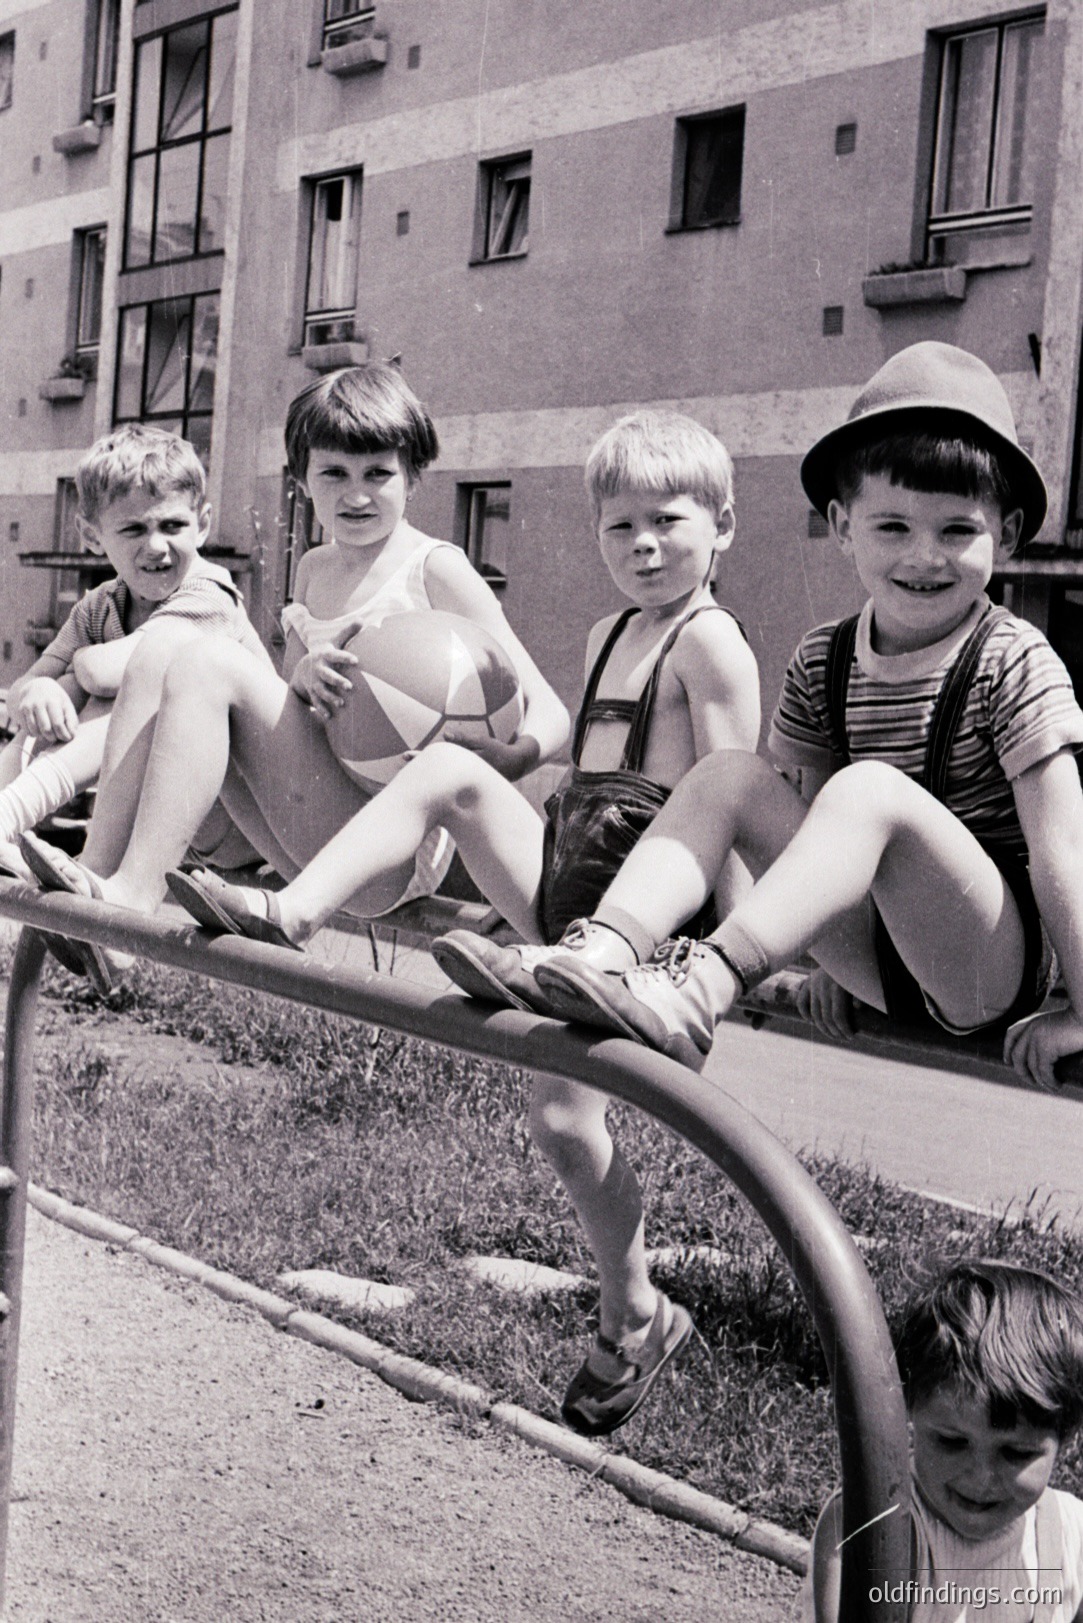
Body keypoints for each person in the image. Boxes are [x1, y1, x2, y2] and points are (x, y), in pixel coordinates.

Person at [164, 409, 761, 1438]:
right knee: (451, 769)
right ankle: (291, 907)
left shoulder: (713, 647)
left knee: (567, 1120)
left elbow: (730, 803)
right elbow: (581, 779)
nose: (645, 548)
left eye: (668, 523)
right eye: (619, 530)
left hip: (658, 919)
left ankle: (636, 1315)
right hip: (583, 887)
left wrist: (728, 961)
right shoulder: (606, 632)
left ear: (725, 527)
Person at [468, 343, 1083, 1094]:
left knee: (867, 792)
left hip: (986, 964)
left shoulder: (1014, 660)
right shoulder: (823, 658)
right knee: (728, 772)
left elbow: (1062, 851)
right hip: (882, 951)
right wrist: (826, 960)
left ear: (1008, 534)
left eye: (957, 530)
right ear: (840, 524)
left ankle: (699, 987)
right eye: (891, 527)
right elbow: (812, 846)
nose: (924, 556)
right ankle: (602, 950)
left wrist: (1079, 1005)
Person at [18, 362, 569, 983]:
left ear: (412, 476)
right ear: (302, 478)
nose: (355, 494)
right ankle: (105, 872)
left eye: (377, 474)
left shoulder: (434, 568)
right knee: (162, 652)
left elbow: (553, 715)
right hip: (308, 828)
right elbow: (291, 718)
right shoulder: (312, 567)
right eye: (333, 473)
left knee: (204, 656)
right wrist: (301, 681)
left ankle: (131, 905)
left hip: (385, 852)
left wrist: (505, 759)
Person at [0, 423, 266, 896]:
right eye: (133, 529)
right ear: (91, 535)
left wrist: (70, 673)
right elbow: (23, 689)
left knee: (108, 691)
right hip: (163, 822)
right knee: (46, 705)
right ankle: (5, 823)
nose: (157, 546)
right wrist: (37, 691)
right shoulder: (101, 603)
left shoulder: (210, 593)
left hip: (241, 819)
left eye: (172, 526)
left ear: (202, 523)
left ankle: (8, 818)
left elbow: (105, 670)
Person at [803, 1259, 1083, 1622]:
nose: (981, 1478)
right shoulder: (871, 1524)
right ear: (908, 1408)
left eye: (1016, 1453)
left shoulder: (1067, 1537)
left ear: (1066, 1437)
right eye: (952, 1441)